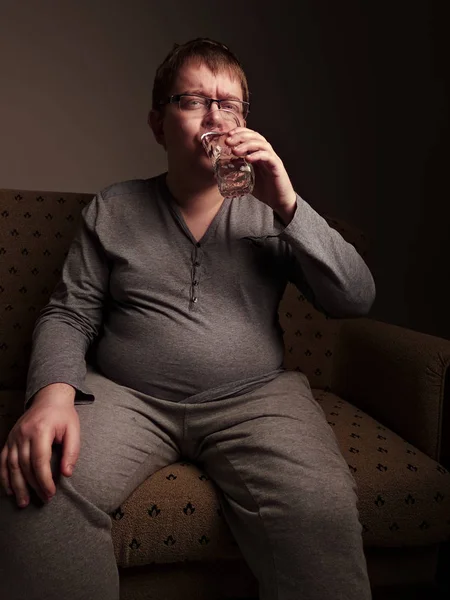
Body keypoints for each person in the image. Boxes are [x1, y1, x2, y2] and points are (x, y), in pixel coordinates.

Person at [0, 38, 375, 600]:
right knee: (35, 495)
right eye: (194, 101)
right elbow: (69, 312)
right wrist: (51, 395)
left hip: (254, 398)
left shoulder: (275, 210)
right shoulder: (114, 207)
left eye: (231, 105)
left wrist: (289, 204)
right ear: (158, 124)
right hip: (128, 396)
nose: (216, 118)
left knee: (319, 508)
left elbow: (355, 299)